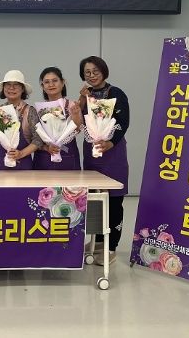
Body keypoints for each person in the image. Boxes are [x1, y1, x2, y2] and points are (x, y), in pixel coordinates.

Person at [78, 56, 130, 265]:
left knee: (114, 201)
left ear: (104, 71)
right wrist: (81, 100)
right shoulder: (85, 95)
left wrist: (110, 142)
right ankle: (98, 242)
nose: (91, 75)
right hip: (92, 153)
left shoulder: (117, 93)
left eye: (95, 71)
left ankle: (111, 247)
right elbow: (78, 121)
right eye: (87, 72)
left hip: (113, 153)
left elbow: (123, 121)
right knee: (94, 200)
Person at [0, 70, 43, 170]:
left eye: (16, 85)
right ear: (3, 88)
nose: (11, 88)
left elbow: (38, 140)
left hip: (22, 164)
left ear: (22, 89)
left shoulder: (30, 111)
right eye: (8, 85)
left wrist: (21, 153)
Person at [33, 66, 82, 170]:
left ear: (62, 82)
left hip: (67, 154)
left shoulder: (72, 105)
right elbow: (34, 136)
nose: (51, 85)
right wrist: (46, 147)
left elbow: (77, 130)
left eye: (55, 81)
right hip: (44, 156)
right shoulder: (39, 109)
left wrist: (76, 115)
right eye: (47, 82)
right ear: (42, 86)